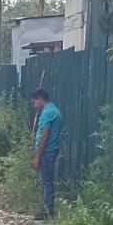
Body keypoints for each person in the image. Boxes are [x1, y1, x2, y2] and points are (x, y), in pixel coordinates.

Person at [30, 88, 63, 218]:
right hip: (51, 150)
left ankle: (48, 211)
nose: (34, 106)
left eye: (35, 102)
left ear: (40, 99)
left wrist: (38, 155)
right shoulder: (54, 110)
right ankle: (47, 209)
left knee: (47, 182)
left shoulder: (48, 113)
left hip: (47, 151)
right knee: (47, 181)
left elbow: (45, 134)